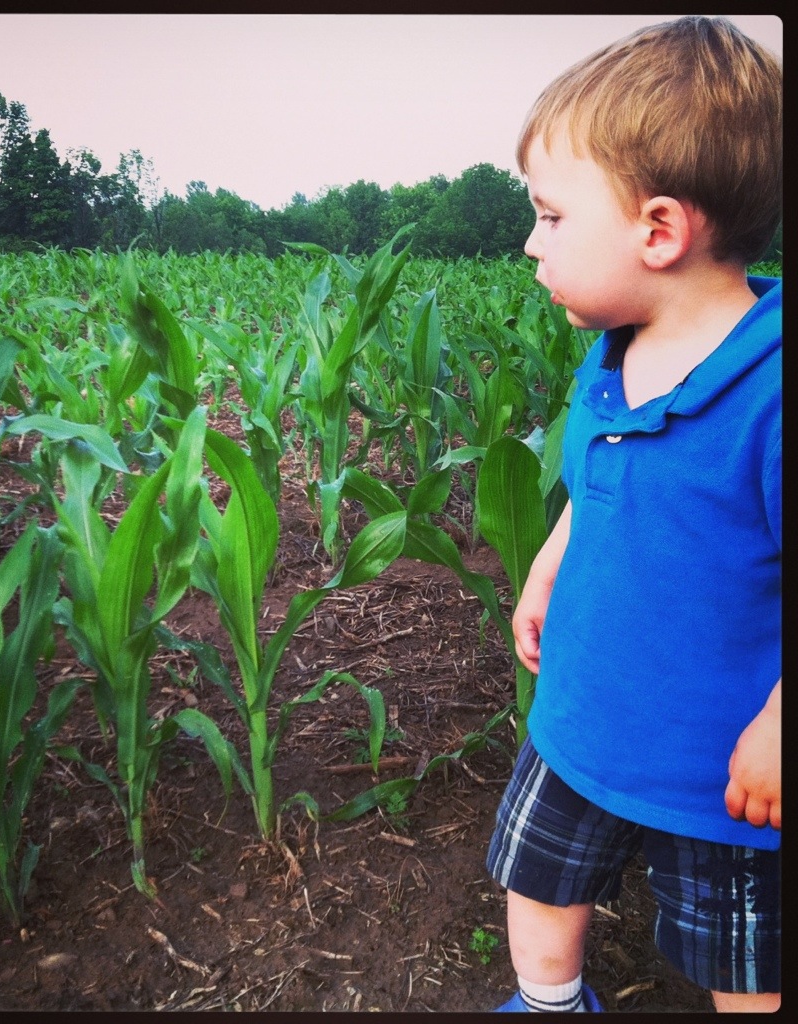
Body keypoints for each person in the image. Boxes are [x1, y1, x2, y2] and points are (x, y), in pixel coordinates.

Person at [483, 15, 781, 1013]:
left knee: (741, 956)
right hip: (582, 719)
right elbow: (599, 481)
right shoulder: (614, 352)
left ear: (657, 229)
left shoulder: (771, 396)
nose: (529, 242)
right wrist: (548, 563)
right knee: (536, 879)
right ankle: (550, 999)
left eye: (551, 216)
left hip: (723, 770)